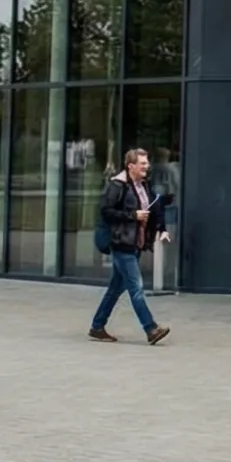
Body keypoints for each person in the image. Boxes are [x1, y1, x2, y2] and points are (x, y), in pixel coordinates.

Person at [92, 147, 171, 344]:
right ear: (131, 166)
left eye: (147, 162)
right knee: (136, 287)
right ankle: (151, 329)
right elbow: (106, 211)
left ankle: (97, 326)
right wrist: (132, 215)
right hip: (121, 243)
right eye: (142, 163)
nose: (147, 166)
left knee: (115, 289)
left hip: (135, 242)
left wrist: (162, 228)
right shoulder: (117, 186)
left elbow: (155, 206)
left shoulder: (143, 185)